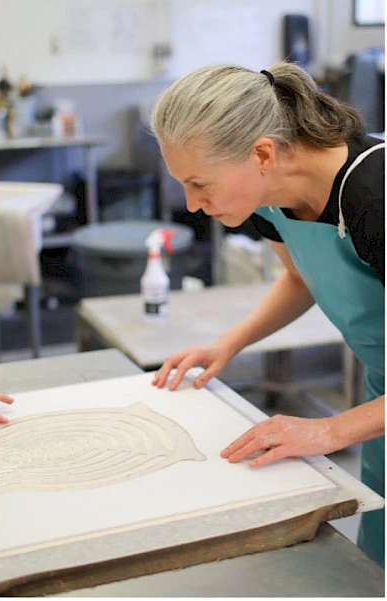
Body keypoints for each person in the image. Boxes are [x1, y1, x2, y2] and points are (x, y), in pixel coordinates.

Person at [149, 62, 385, 567]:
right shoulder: (268, 193)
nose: (193, 204)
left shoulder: (375, 197)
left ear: (261, 153)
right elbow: (301, 278)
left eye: (199, 183)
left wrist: (329, 430)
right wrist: (227, 344)